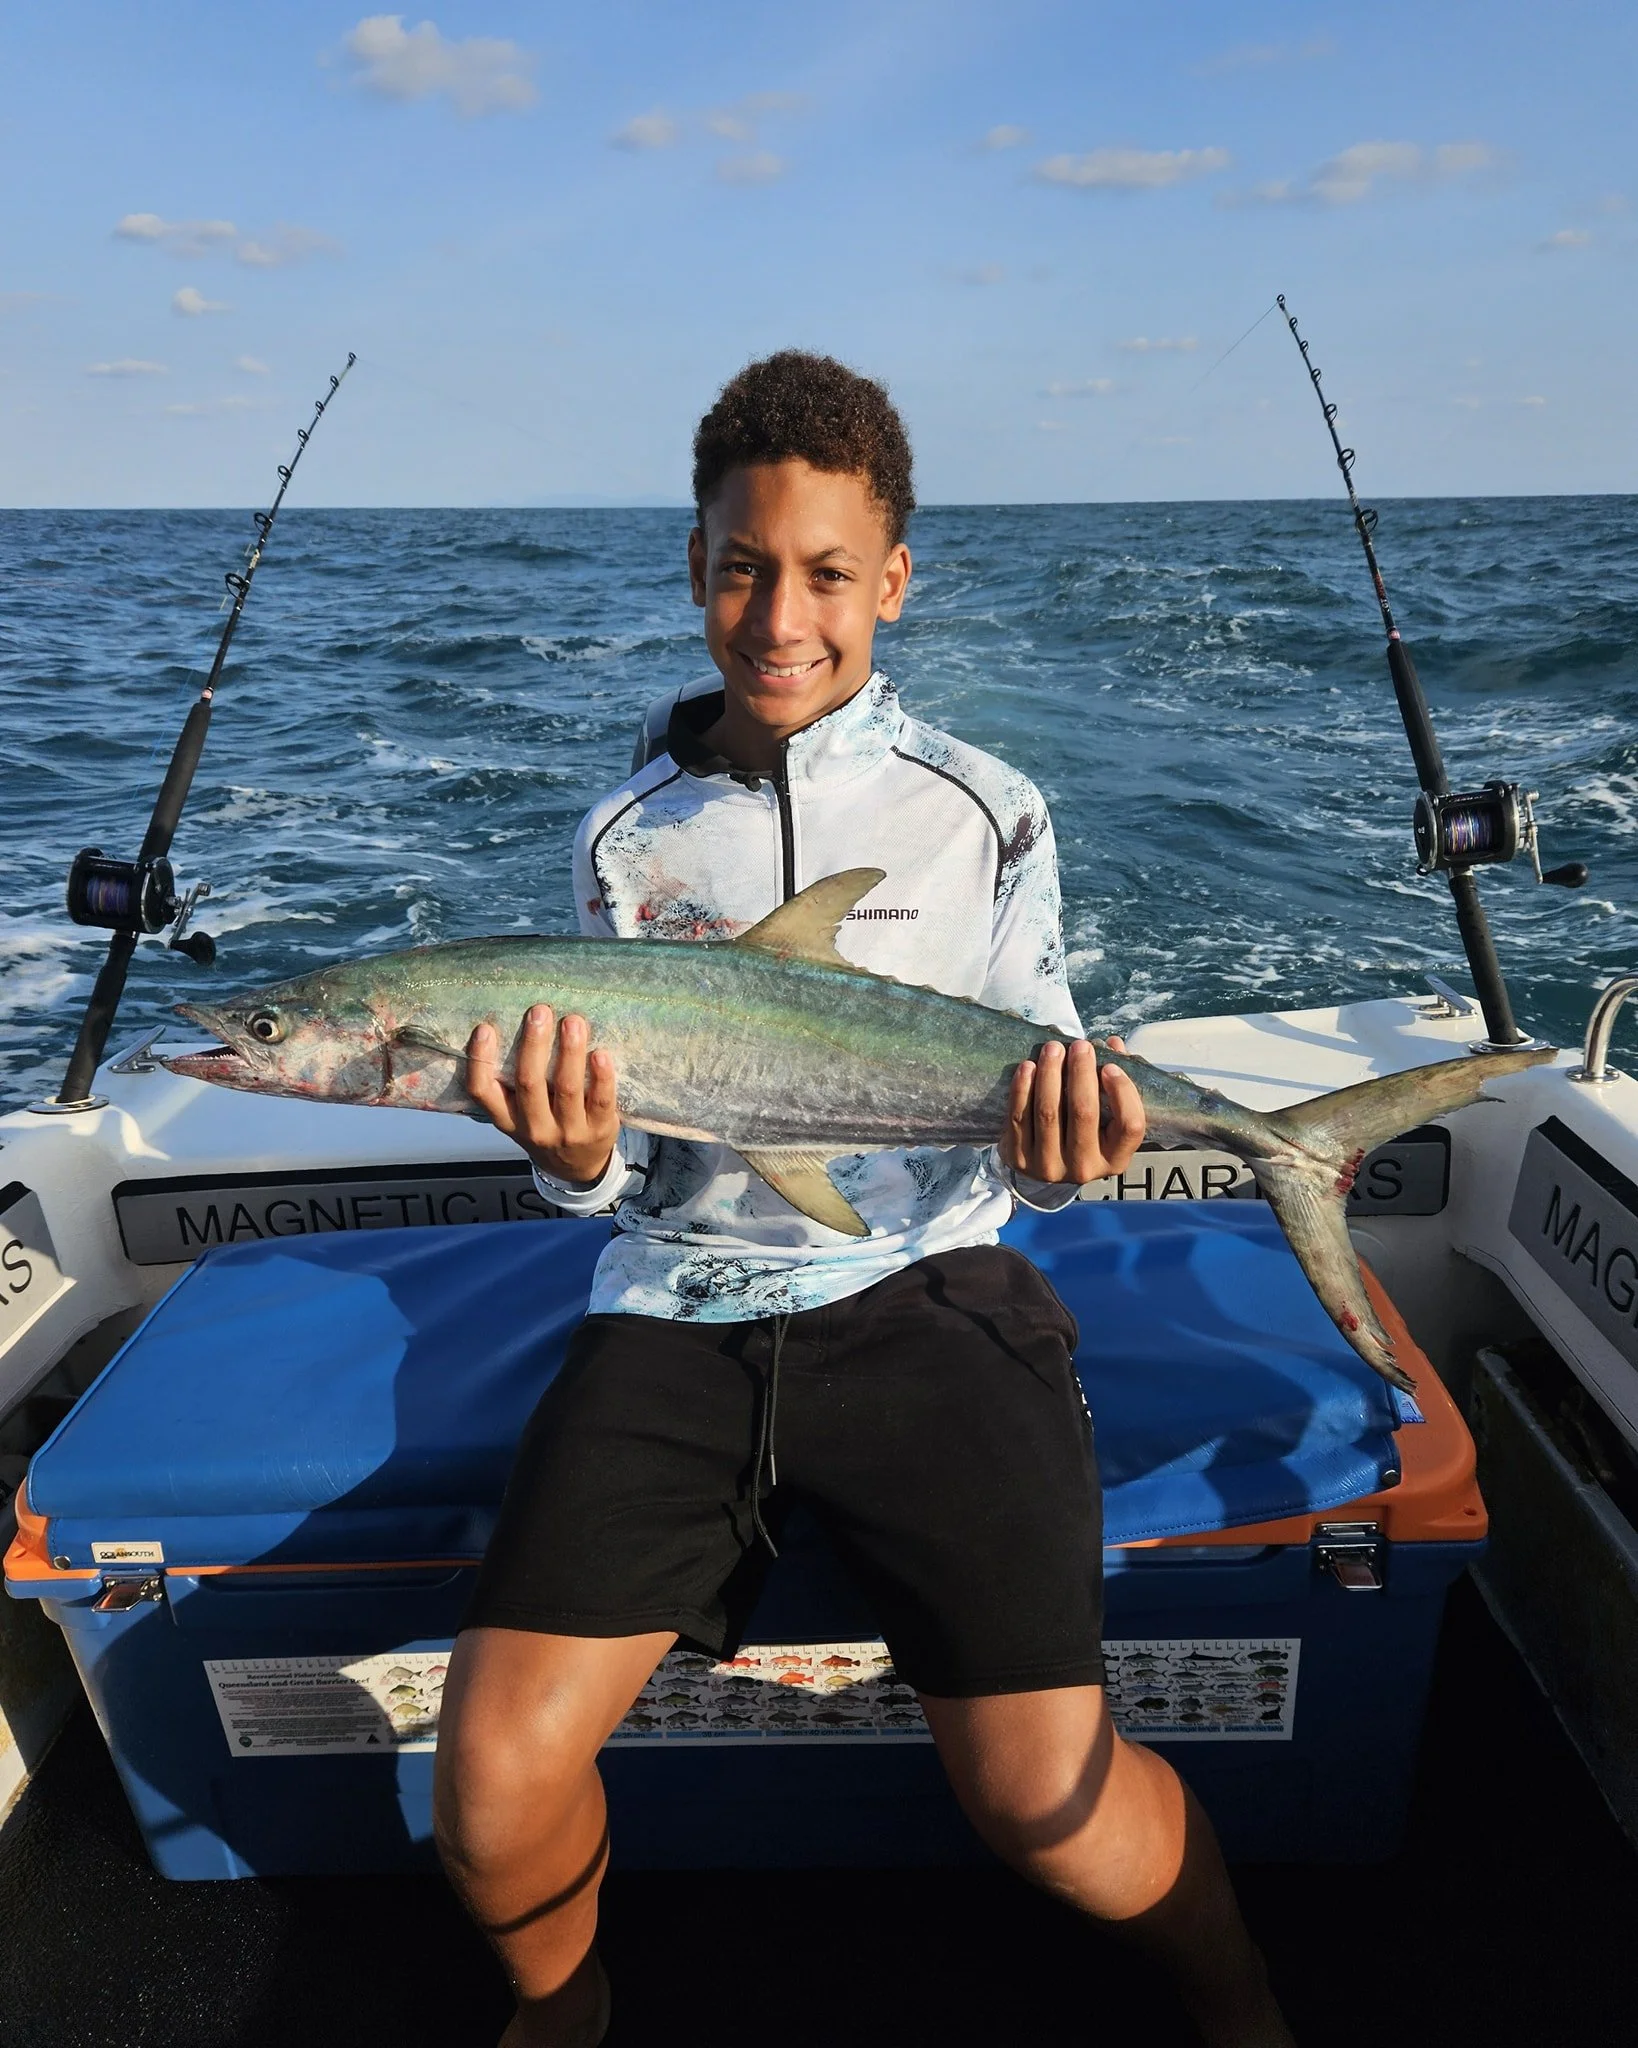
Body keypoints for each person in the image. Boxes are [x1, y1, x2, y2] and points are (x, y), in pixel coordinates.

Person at [435, 351, 1295, 2048]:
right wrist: (566, 1158)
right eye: (743, 565)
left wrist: (1061, 1147)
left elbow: (1037, 1068)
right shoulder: (625, 835)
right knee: (487, 1783)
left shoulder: (984, 812)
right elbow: (624, 1157)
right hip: (675, 1304)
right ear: (694, 567)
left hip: (929, 1291)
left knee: (1049, 1808)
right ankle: (561, 2010)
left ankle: (1240, 2002)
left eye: (827, 572)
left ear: (888, 581)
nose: (779, 614)